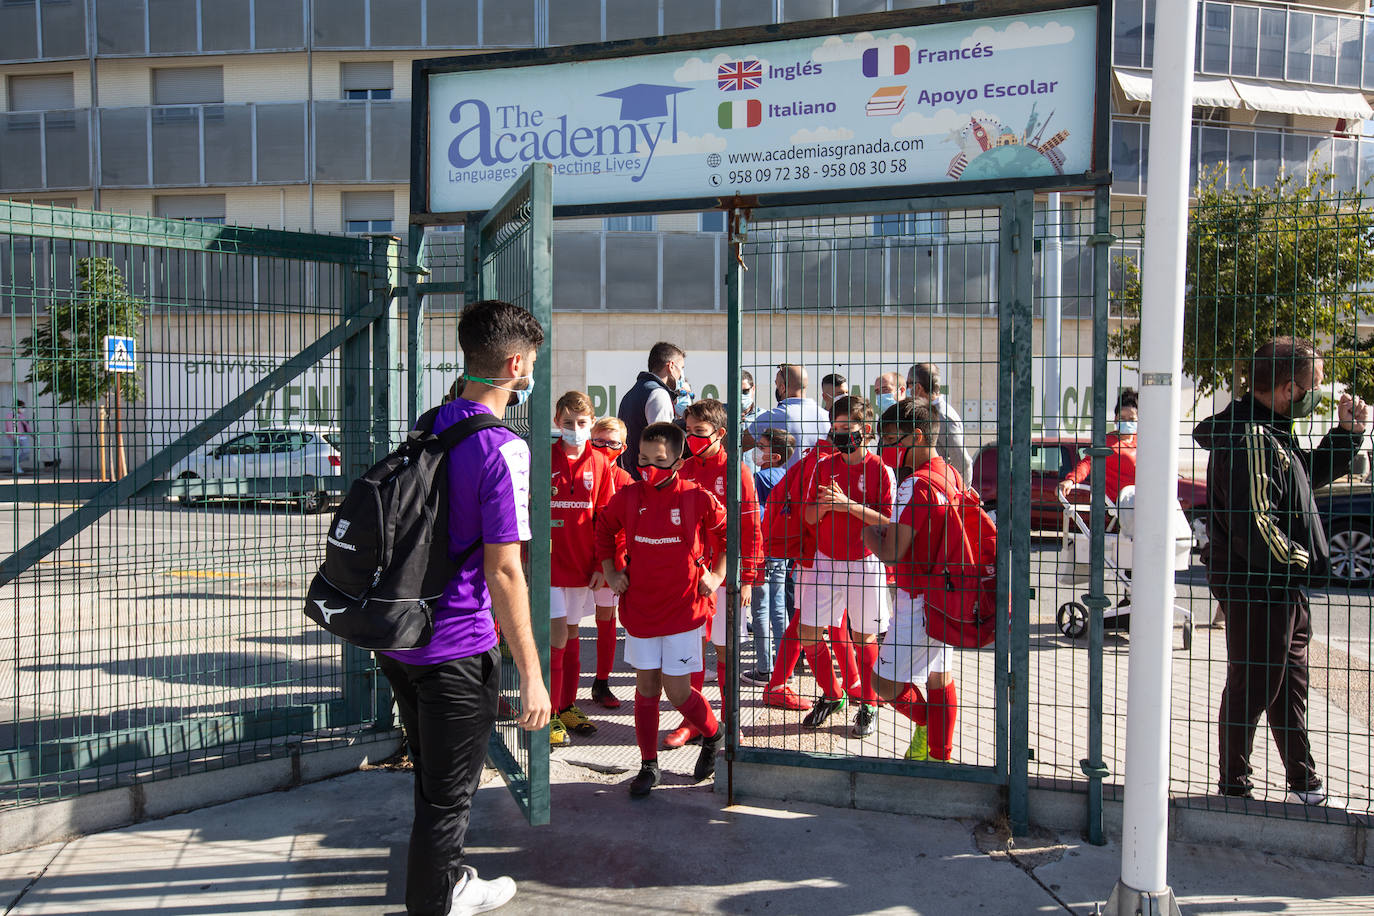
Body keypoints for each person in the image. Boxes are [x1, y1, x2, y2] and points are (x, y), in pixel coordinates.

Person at [376, 299, 551, 916]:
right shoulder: (504, 448)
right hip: (455, 644)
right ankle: (435, 901)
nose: (531, 371)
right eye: (531, 362)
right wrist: (531, 672)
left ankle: (449, 883)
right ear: (514, 363)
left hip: (400, 636)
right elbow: (505, 570)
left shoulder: (433, 421)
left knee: (432, 781)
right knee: (447, 802)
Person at [1193, 337, 1367, 807]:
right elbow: (1256, 523)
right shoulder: (1250, 435)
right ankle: (1234, 787)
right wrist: (1305, 560)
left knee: (1287, 684)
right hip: (1259, 585)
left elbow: (1300, 478)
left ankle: (1304, 780)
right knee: (1254, 687)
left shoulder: (1272, 429)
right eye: (1316, 384)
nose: (1321, 392)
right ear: (1290, 387)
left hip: (1278, 585)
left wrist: (1347, 436)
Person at [595, 422, 728, 797]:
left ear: (678, 461)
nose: (648, 467)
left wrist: (717, 575)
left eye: (658, 460)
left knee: (678, 691)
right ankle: (648, 765)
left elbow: (726, 534)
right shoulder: (627, 496)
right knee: (646, 687)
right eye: (641, 459)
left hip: (684, 610)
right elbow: (603, 531)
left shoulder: (696, 497)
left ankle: (713, 735)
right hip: (639, 610)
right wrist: (611, 571)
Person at [662, 398, 763, 749]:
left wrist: (747, 577)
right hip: (691, 578)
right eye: (688, 431)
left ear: (720, 433)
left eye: (699, 433)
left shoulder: (738, 472)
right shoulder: (684, 469)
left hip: (726, 577)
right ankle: (694, 720)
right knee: (692, 649)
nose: (691, 438)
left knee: (726, 650)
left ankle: (730, 719)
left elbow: (750, 527)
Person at [864, 399, 962, 762]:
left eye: (890, 439)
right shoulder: (948, 472)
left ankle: (927, 727)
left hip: (918, 597)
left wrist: (869, 534)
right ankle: (939, 756)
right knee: (939, 676)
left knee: (882, 682)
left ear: (916, 436)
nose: (885, 448)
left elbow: (892, 551)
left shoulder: (913, 486)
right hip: (943, 592)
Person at [796, 396, 895, 737]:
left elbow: (886, 522)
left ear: (866, 431)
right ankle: (832, 694)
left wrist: (848, 504)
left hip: (865, 562)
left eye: (845, 429)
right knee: (808, 633)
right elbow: (808, 516)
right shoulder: (824, 465)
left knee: (863, 636)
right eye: (834, 428)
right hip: (825, 561)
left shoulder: (881, 470)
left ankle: (869, 704)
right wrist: (825, 506)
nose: (837, 435)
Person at [548, 391, 618, 746]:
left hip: (582, 566)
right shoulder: (544, 459)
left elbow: (605, 520)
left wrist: (600, 566)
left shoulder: (601, 464)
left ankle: (566, 706)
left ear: (591, 424)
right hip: (548, 566)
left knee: (573, 635)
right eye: (568, 423)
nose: (575, 429)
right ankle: (547, 714)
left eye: (581, 423)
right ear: (557, 422)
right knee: (557, 637)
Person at [740, 428, 792, 686]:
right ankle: (785, 667)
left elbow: (755, 516)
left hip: (763, 549)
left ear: (776, 456)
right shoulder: (789, 477)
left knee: (761, 608)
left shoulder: (760, 478)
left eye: (761, 446)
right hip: (782, 548)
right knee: (779, 607)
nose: (757, 450)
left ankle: (764, 668)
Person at [587, 416, 632, 709]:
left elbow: (625, 532)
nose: (604, 447)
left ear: (623, 447)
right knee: (565, 626)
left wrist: (611, 568)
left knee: (605, 620)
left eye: (612, 443)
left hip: (608, 564)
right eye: (599, 441)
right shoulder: (580, 470)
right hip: (574, 559)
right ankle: (558, 690)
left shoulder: (625, 482)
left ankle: (602, 682)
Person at [617, 341, 686, 478]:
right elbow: (662, 444)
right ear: (671, 366)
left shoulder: (631, 393)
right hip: (648, 479)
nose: (682, 375)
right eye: (682, 368)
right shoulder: (658, 394)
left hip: (632, 477)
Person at [741, 363, 829, 470]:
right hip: (818, 482)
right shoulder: (826, 416)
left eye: (777, 385)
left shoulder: (772, 417)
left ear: (782, 388)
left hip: (785, 483)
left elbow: (737, 445)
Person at [1057, 388, 1139, 503]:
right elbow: (1087, 463)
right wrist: (1071, 480)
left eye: (1131, 419)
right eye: (1122, 418)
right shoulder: (1107, 442)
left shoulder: (1144, 442)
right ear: (1115, 419)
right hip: (1116, 507)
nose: (1126, 422)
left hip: (1142, 504)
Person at [906, 363, 972, 483]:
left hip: (940, 486)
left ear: (918, 387)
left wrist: (961, 494)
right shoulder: (929, 412)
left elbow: (963, 462)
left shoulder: (943, 416)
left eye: (908, 384)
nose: (908, 390)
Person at [7, 400, 32, 475]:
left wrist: (32, 434)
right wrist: (13, 435)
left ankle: (16, 463)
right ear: (17, 407)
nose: (23, 409)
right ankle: (16, 468)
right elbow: (9, 426)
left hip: (22, 436)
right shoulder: (10, 415)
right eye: (22, 407)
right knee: (15, 452)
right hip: (13, 437)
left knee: (26, 450)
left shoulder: (21, 416)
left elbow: (26, 426)